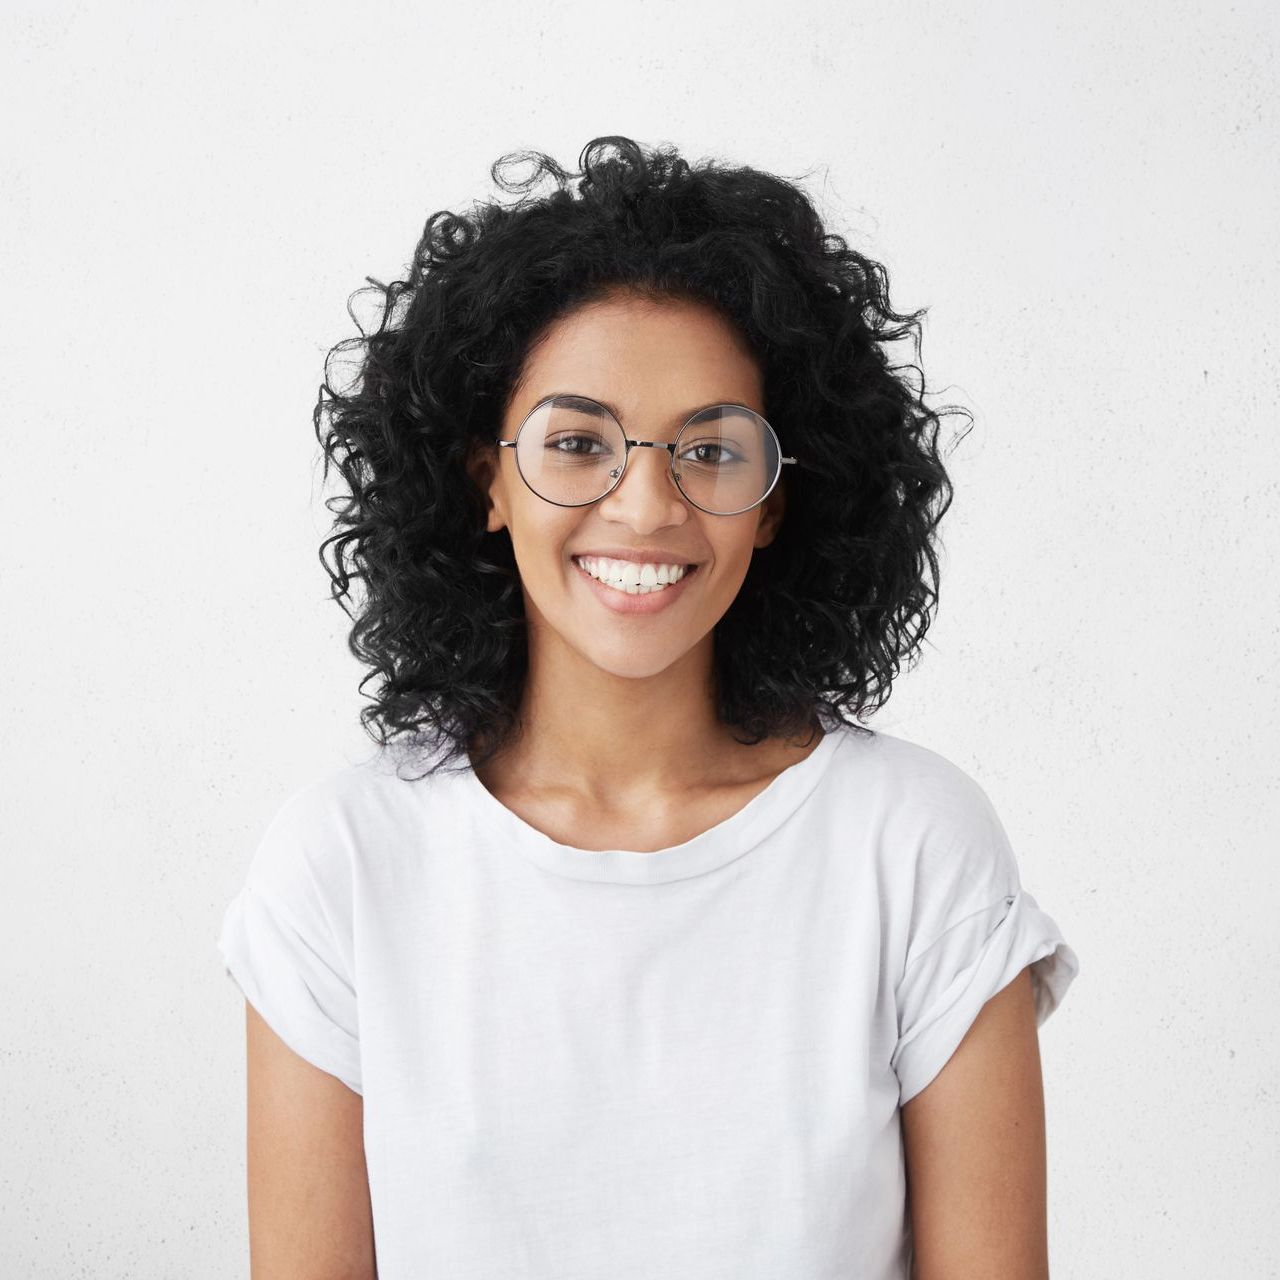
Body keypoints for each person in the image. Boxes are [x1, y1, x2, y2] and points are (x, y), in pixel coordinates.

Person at [216, 135, 1079, 1279]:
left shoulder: (912, 844)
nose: (645, 504)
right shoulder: (343, 866)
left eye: (709, 450)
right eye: (577, 442)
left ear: (773, 505)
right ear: (485, 479)